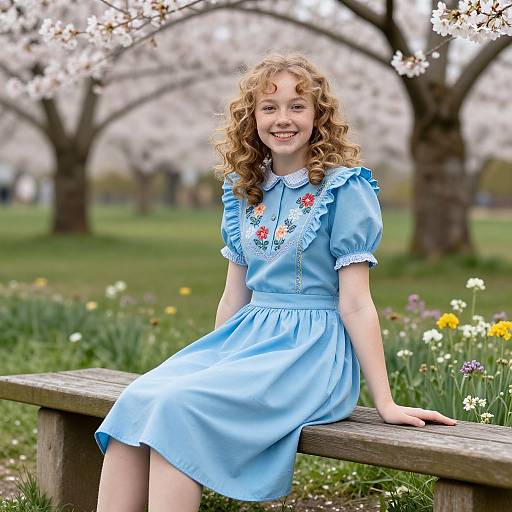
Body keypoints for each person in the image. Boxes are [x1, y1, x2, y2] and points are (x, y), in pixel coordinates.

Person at [94, 52, 457, 512]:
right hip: (246, 340)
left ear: (318, 117)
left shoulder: (345, 189)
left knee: (177, 408)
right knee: (141, 397)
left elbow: (357, 304)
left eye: (297, 106)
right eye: (269, 107)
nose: (283, 119)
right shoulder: (244, 189)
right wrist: (213, 361)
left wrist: (384, 401)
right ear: (252, 119)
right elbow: (233, 294)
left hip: (310, 354)